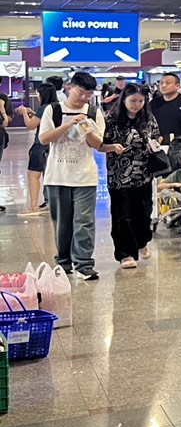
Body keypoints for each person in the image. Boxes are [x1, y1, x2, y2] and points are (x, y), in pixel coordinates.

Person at [39, 71, 104, 281]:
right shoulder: (53, 110)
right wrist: (68, 124)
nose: (83, 98)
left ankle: (84, 264)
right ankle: (64, 261)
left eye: (88, 95)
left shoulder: (93, 112)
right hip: (57, 176)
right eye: (80, 92)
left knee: (84, 221)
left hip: (85, 176)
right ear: (69, 87)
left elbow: (97, 144)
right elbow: (44, 139)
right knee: (62, 222)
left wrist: (87, 129)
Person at [101, 83, 160, 269]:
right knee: (122, 216)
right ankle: (125, 254)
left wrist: (154, 145)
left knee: (143, 213)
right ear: (124, 99)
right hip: (119, 177)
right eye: (133, 100)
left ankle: (141, 242)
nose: (137, 105)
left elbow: (157, 136)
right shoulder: (111, 119)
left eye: (140, 101)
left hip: (144, 175)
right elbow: (100, 144)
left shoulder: (148, 117)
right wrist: (112, 147)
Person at [19, 78, 63, 216]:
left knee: (33, 175)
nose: (37, 96)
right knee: (49, 175)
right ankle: (50, 203)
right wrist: (33, 113)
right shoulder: (57, 106)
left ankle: (34, 207)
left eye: (38, 93)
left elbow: (30, 125)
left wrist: (24, 112)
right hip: (53, 145)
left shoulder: (44, 108)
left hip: (40, 145)